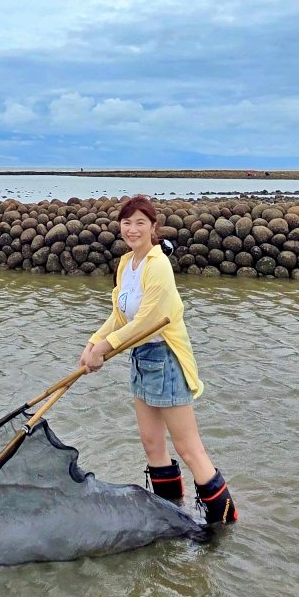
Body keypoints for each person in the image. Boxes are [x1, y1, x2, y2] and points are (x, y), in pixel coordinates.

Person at [79, 195, 238, 525]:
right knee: (151, 443)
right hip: (140, 358)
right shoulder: (126, 264)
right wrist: (93, 343)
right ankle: (172, 513)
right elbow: (120, 316)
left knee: (189, 448)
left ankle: (225, 523)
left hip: (165, 359)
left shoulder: (159, 265)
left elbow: (148, 322)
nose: (132, 229)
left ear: (153, 227)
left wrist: (105, 350)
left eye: (140, 222)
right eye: (126, 222)